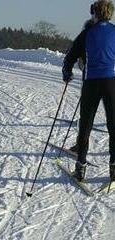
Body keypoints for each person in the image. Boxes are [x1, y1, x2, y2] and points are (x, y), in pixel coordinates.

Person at [62, 0, 115, 183]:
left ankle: (80, 168)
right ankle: (114, 168)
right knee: (113, 126)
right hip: (111, 83)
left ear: (96, 13)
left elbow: (70, 56)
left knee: (85, 125)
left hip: (91, 83)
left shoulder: (87, 33)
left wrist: (67, 72)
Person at [69, 2, 98, 153]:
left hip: (92, 77)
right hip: (106, 77)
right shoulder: (108, 30)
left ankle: (80, 148)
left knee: (86, 116)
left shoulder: (88, 29)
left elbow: (78, 51)